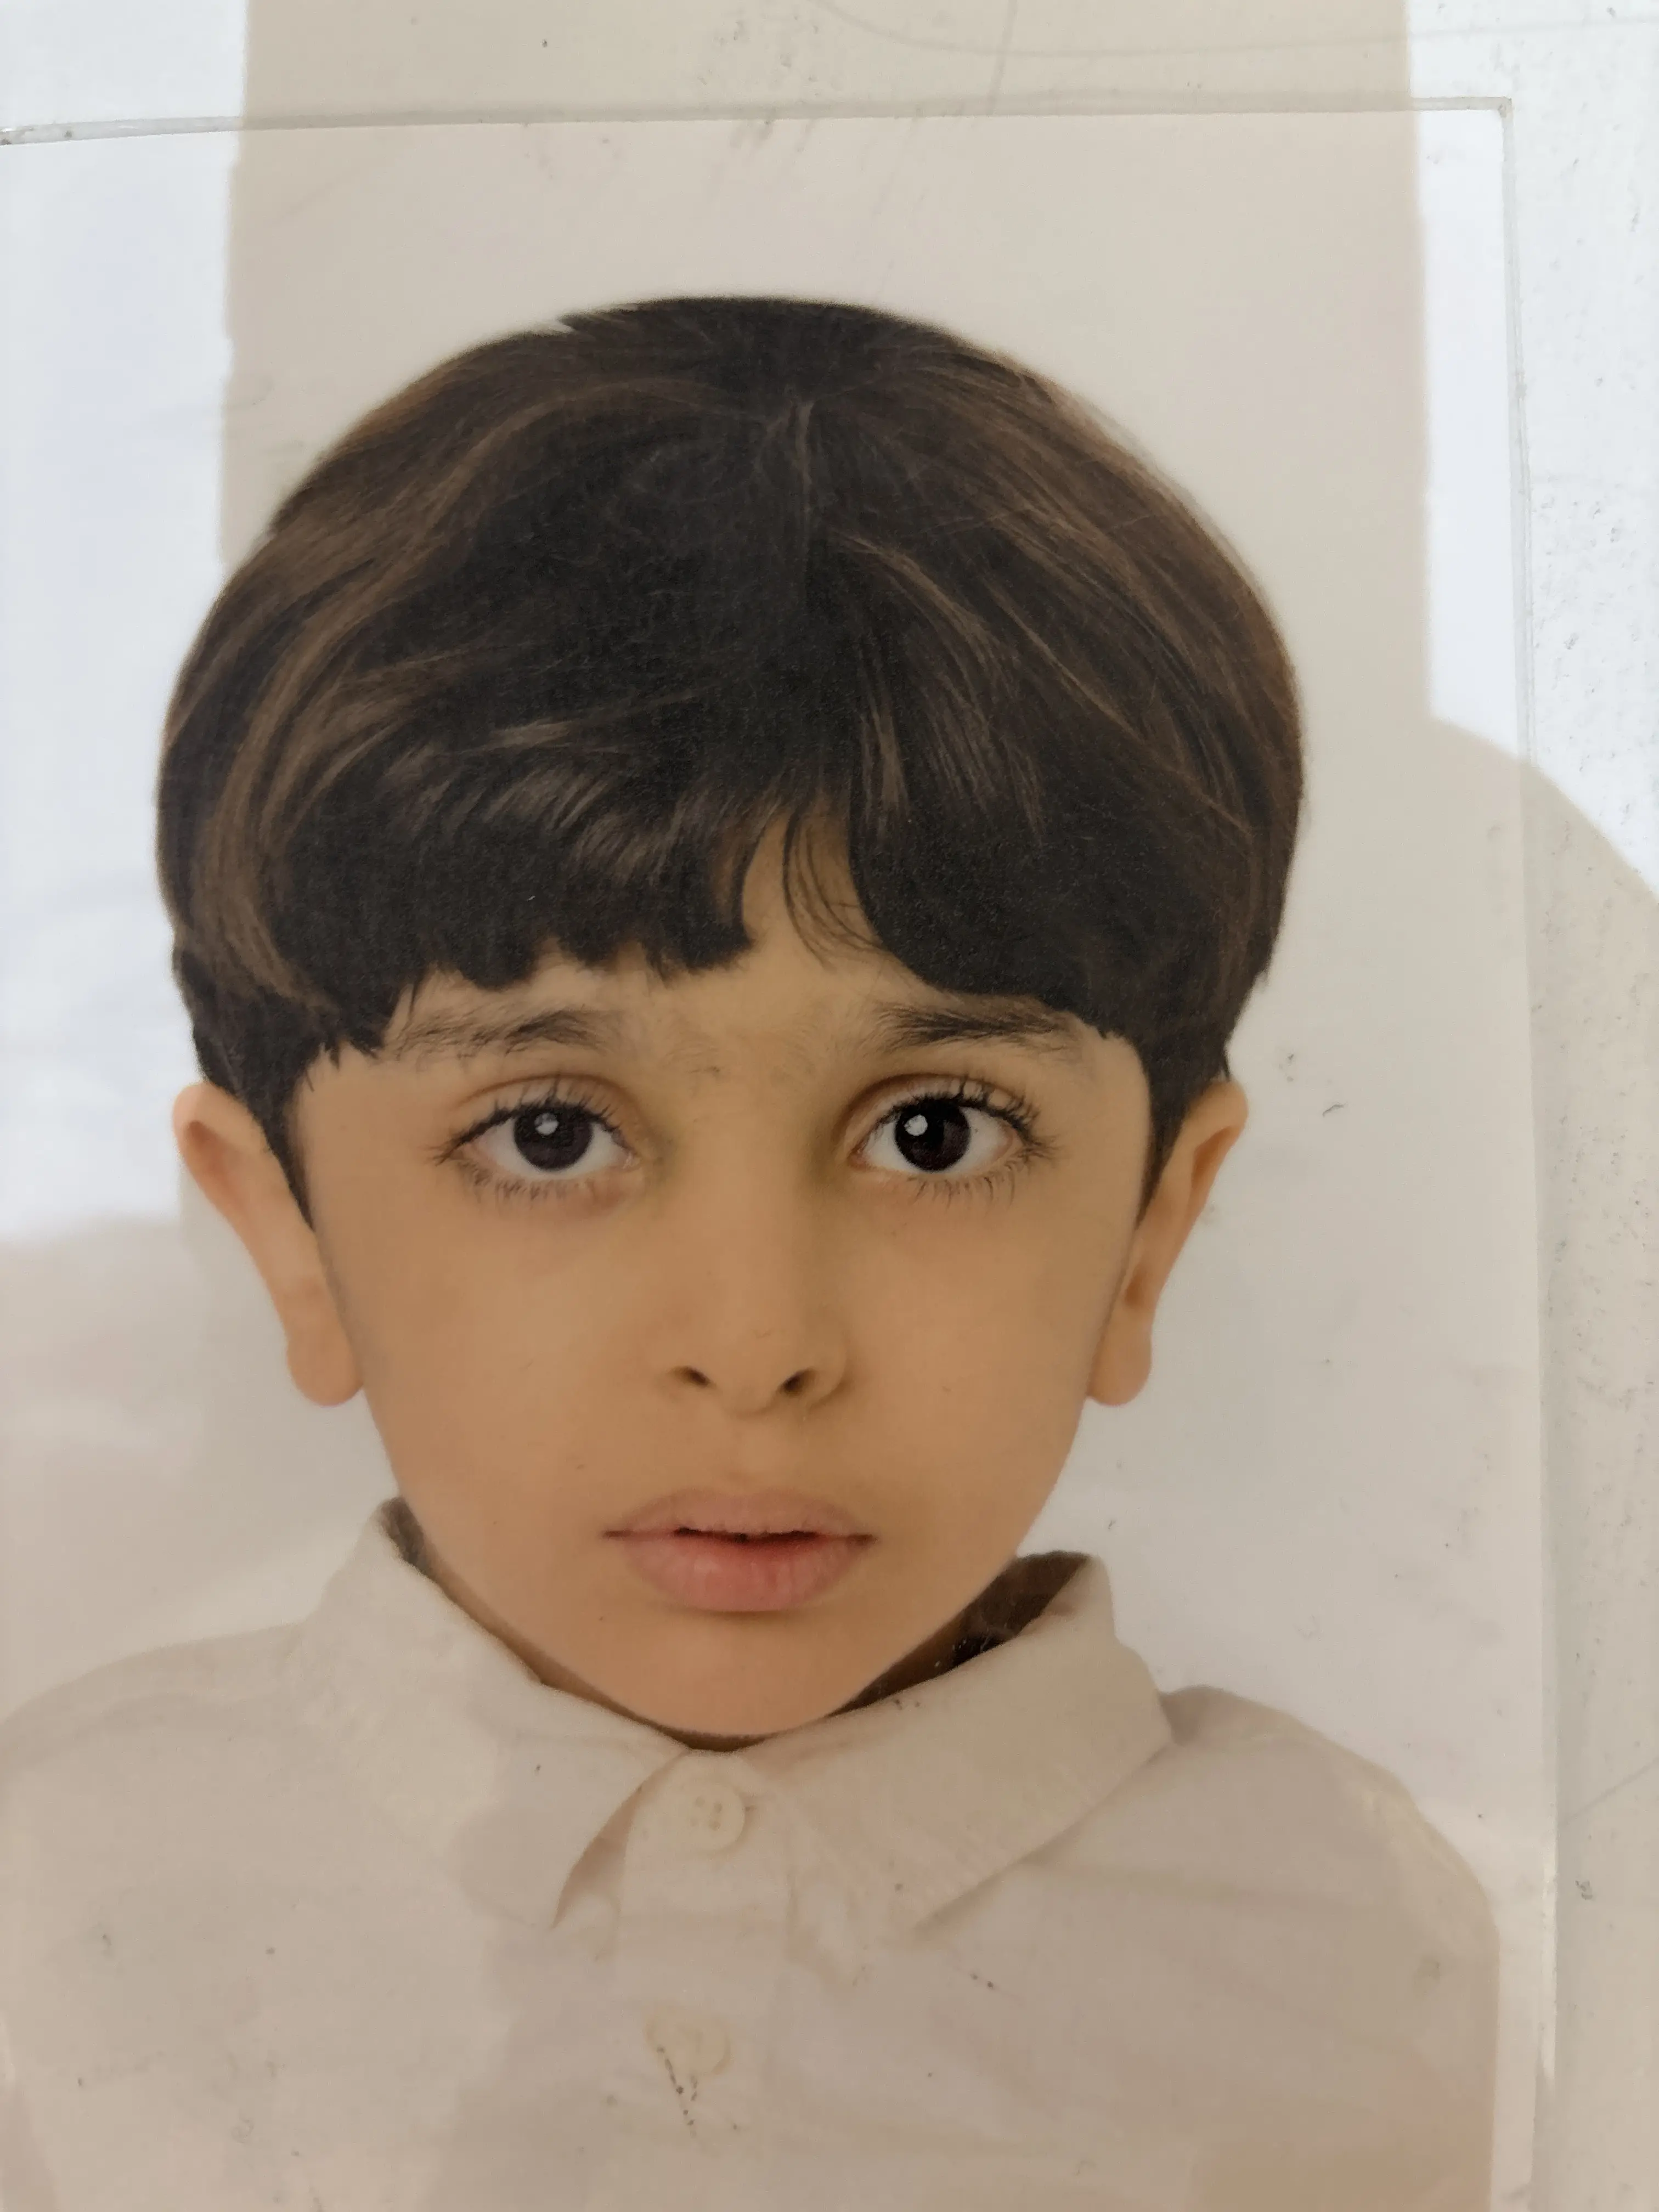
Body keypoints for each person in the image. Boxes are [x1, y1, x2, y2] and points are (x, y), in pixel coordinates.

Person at [0, 297, 1497, 2210]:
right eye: (552, 1135)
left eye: (934, 1132)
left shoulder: (1372, 1953)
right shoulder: (52, 1893)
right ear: (283, 1228)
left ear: (1152, 1231)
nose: (757, 1342)